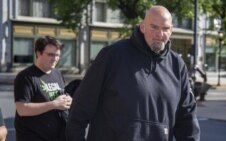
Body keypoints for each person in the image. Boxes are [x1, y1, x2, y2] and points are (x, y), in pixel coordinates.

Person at [66, 5, 200, 141]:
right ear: (142, 27)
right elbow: (81, 107)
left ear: (171, 30)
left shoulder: (177, 65)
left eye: (165, 29)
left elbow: (187, 118)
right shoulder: (113, 56)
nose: (160, 34)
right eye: (154, 27)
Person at [14, 36, 72, 141]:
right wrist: (54, 104)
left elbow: (59, 97)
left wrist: (67, 100)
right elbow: (22, 109)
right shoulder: (26, 76)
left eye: (57, 55)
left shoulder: (57, 74)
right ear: (38, 53)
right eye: (50, 54)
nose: (55, 58)